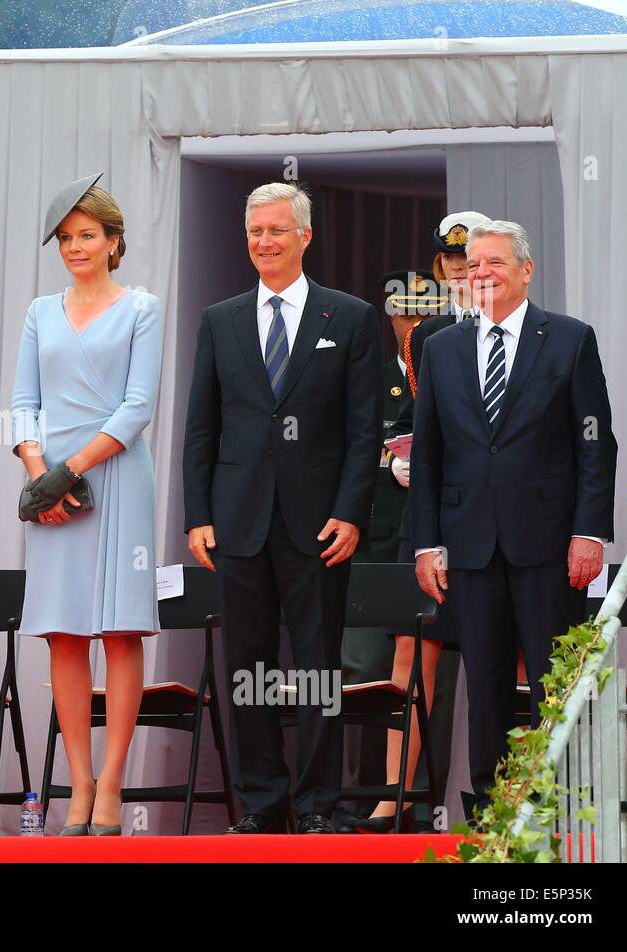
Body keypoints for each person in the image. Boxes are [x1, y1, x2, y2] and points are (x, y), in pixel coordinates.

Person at [182, 182, 381, 834]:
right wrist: (198, 514)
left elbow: (364, 430)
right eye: (255, 232)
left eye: (276, 230)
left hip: (318, 525)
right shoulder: (221, 320)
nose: (264, 242)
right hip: (237, 523)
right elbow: (202, 429)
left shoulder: (347, 317)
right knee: (249, 670)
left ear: (305, 236)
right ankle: (262, 806)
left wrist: (352, 512)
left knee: (320, 665)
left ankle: (319, 805)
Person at [410, 219, 616, 814]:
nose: (481, 275)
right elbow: (428, 452)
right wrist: (427, 543)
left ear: (526, 270)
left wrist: (588, 531)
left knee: (554, 686)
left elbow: (595, 444)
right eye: (473, 266)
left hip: (549, 546)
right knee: (487, 684)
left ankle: (552, 812)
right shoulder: (439, 346)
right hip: (468, 545)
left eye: (495, 263)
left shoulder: (570, 339)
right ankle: (492, 816)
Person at [11, 173, 161, 836]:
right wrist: (41, 476)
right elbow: (23, 404)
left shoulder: (141, 308)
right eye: (67, 238)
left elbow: (138, 406)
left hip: (117, 474)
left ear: (113, 240)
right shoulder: (40, 311)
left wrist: (69, 470)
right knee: (64, 633)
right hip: (53, 489)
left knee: (121, 629)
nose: (76, 247)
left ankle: (112, 786)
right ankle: (76, 785)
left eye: (88, 235)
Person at [353, 214, 491, 832]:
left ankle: (508, 800)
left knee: (504, 657)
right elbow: (408, 416)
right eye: (452, 263)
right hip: (430, 515)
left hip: (493, 516)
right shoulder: (427, 334)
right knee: (409, 658)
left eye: (475, 260)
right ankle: (392, 797)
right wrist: (401, 451)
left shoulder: (534, 331)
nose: (464, 271)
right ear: (440, 269)